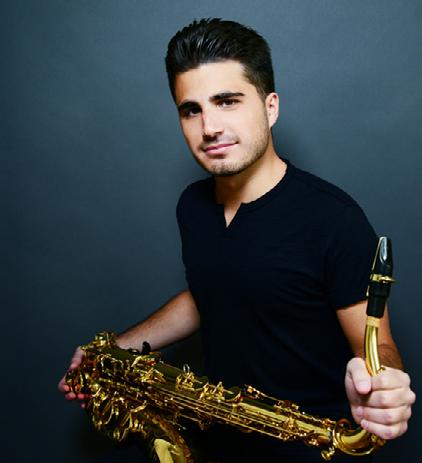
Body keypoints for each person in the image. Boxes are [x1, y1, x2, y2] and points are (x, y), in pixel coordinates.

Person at [59, 19, 415, 462]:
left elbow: (378, 346)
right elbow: (211, 289)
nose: (209, 127)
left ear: (270, 107)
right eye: (191, 110)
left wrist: (383, 391)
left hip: (314, 448)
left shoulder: (334, 218)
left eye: (227, 101)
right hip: (218, 443)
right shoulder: (193, 206)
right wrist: (113, 351)